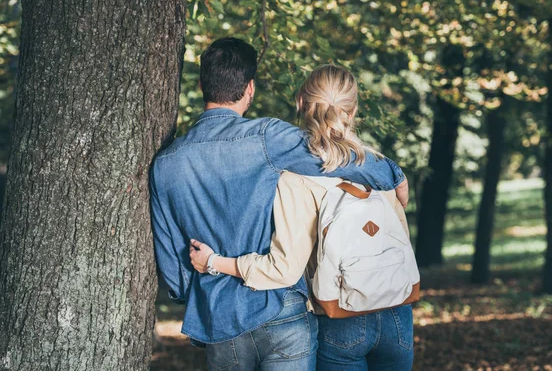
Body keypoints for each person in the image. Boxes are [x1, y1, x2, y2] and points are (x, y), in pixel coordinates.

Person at [150, 38, 409, 371]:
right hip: (281, 307)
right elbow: (332, 155)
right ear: (250, 88)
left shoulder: (166, 164)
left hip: (218, 315)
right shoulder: (265, 138)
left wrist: (202, 297)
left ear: (201, 84)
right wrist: (393, 174)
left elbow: (173, 267)